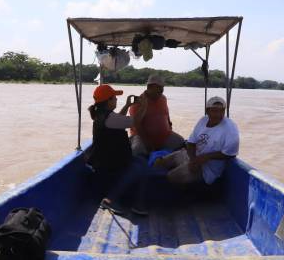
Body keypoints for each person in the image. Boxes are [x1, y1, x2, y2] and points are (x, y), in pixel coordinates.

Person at [86, 83, 149, 215]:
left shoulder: (102, 115)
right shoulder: (109, 118)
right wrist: (144, 105)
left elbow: (118, 121)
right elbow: (135, 121)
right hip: (109, 163)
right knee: (139, 167)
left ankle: (136, 203)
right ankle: (110, 200)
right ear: (108, 101)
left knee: (142, 163)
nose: (116, 100)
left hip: (105, 159)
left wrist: (127, 106)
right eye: (114, 98)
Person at [155, 96, 239, 185]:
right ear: (207, 111)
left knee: (171, 176)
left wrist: (205, 157)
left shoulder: (230, 128)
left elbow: (230, 154)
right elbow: (191, 143)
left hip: (208, 170)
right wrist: (193, 160)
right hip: (193, 158)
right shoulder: (203, 120)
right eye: (214, 111)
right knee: (160, 163)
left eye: (221, 111)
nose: (218, 114)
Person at [128, 73, 185, 157]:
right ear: (149, 87)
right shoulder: (138, 102)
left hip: (164, 136)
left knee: (181, 142)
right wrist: (147, 143)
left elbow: (166, 115)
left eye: (162, 90)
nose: (160, 93)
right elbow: (137, 125)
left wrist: (169, 127)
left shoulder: (163, 98)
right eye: (159, 90)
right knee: (137, 150)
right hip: (141, 137)